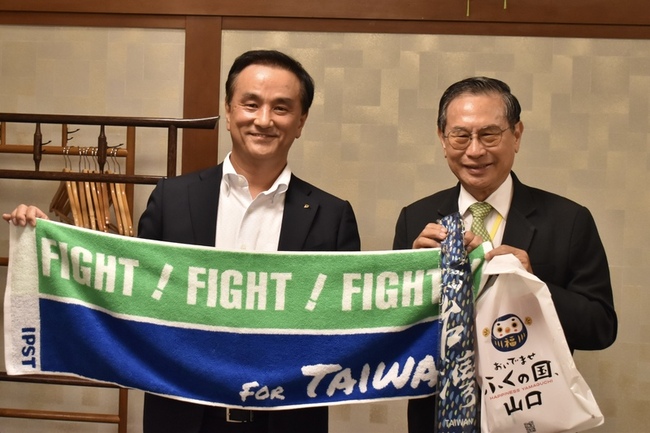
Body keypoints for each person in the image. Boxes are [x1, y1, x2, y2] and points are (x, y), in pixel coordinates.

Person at [4, 49, 361, 433]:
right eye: (251, 104)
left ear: (300, 121)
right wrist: (51, 241)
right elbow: (131, 294)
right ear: (228, 111)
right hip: (183, 419)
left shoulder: (332, 215)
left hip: (288, 421)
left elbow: (347, 328)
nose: (263, 119)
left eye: (281, 108)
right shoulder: (172, 199)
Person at [392, 76, 617, 433]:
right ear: (442, 139)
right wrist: (413, 280)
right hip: (437, 419)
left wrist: (534, 287)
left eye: (489, 135)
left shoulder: (569, 220)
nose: (475, 150)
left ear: (517, 135)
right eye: (461, 136)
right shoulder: (416, 219)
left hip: (532, 414)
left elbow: (601, 328)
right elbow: (395, 339)